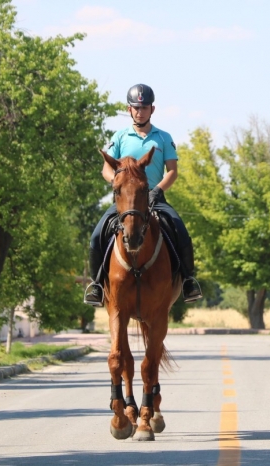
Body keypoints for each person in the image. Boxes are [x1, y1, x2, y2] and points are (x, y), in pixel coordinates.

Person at [84, 83, 203, 306]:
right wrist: (119, 184)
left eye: (145, 107)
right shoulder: (119, 137)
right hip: (126, 201)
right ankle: (97, 285)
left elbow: (173, 171)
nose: (140, 112)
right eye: (136, 108)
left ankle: (188, 281)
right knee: (96, 235)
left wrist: (157, 191)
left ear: (152, 109)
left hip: (154, 199)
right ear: (129, 109)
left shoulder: (163, 137)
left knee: (180, 229)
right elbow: (106, 168)